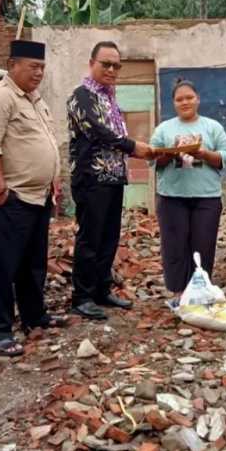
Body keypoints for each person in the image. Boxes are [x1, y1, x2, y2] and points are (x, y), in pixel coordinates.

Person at [0, 39, 67, 356]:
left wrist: (53, 181)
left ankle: (33, 316)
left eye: (41, 67)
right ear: (12, 65)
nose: (39, 73)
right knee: (3, 266)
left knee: (33, 264)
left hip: (38, 197)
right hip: (13, 197)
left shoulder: (33, 100)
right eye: (32, 66)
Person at [67, 41, 152, 320]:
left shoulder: (108, 97)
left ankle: (101, 290)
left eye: (117, 65)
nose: (112, 69)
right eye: (106, 64)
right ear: (92, 63)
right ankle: (81, 296)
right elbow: (97, 132)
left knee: (108, 237)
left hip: (114, 177)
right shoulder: (81, 96)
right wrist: (133, 146)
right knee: (90, 238)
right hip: (91, 176)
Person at [150, 79, 226, 307]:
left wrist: (203, 153)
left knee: (203, 244)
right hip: (172, 198)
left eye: (189, 97)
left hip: (206, 198)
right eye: (179, 99)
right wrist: (171, 154)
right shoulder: (164, 129)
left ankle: (200, 292)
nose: (185, 102)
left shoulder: (213, 127)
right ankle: (178, 292)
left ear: (198, 99)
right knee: (174, 246)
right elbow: (152, 158)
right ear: (174, 103)